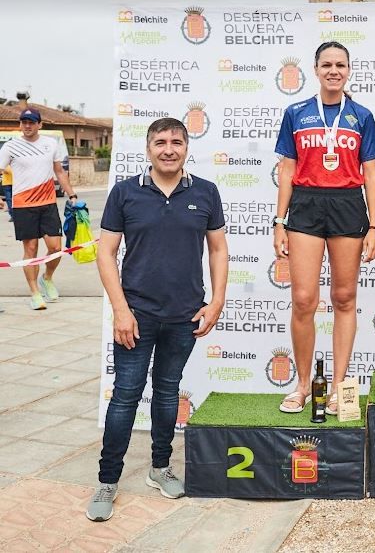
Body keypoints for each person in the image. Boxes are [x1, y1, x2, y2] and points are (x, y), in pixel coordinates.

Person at [88, 118, 228, 521]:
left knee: (168, 393)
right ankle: (107, 482)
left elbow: (218, 250)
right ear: (148, 148)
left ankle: (160, 468)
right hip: (136, 316)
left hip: (184, 316)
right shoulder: (125, 192)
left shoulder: (205, 192)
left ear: (187, 147)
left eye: (177, 142)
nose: (169, 149)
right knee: (126, 397)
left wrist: (216, 301)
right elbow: (105, 253)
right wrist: (120, 310)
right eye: (160, 142)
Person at [274, 41, 375, 415]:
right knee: (304, 299)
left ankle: (338, 386)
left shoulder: (362, 116)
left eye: (340, 64)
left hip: (348, 205)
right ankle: (303, 385)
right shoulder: (296, 112)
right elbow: (287, 169)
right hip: (306, 204)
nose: (333, 70)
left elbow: (371, 172)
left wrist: (374, 224)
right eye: (326, 64)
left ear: (349, 70)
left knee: (344, 298)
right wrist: (279, 221)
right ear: (316, 69)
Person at [0, 109, 77, 310]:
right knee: (31, 249)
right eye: (24, 122)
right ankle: (34, 293)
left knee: (55, 248)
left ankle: (47, 278)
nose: (27, 126)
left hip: (48, 204)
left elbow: (60, 172)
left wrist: (72, 195)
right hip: (24, 205)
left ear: (39, 125)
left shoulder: (50, 144)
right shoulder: (10, 147)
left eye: (31, 122)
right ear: (20, 125)